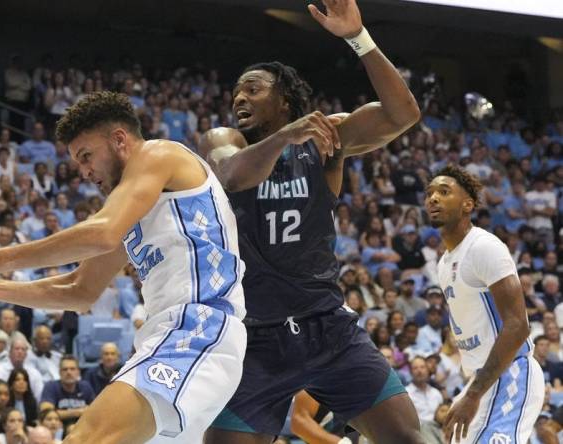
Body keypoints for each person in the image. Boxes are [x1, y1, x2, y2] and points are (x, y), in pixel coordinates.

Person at [0, 91, 248, 443]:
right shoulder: (129, 208)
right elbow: (80, 290)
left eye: (86, 156)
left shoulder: (159, 153)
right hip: (174, 337)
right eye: (78, 164)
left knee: (84, 439)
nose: (83, 172)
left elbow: (103, 233)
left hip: (198, 328)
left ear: (120, 139)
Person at [198, 1, 422, 443]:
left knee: (408, 437)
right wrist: (286, 135)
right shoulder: (228, 141)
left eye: (253, 89)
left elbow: (403, 115)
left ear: (284, 98)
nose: (240, 98)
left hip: (328, 328)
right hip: (256, 338)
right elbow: (232, 175)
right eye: (236, 93)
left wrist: (358, 38)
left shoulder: (326, 140)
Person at [425, 165, 545, 443]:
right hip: (480, 379)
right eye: (430, 193)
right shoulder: (444, 262)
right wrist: (471, 390)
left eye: (444, 192)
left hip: (510, 374)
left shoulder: (483, 247)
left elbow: (518, 327)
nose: (433, 198)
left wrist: (473, 394)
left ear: (468, 204)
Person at [39, 355, 95, 430]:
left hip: (83, 429)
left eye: (72, 369)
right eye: (65, 369)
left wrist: (61, 413)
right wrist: (78, 412)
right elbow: (45, 413)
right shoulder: (51, 386)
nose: (69, 372)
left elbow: (95, 411)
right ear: (59, 372)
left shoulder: (85, 387)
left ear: (78, 372)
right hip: (58, 429)